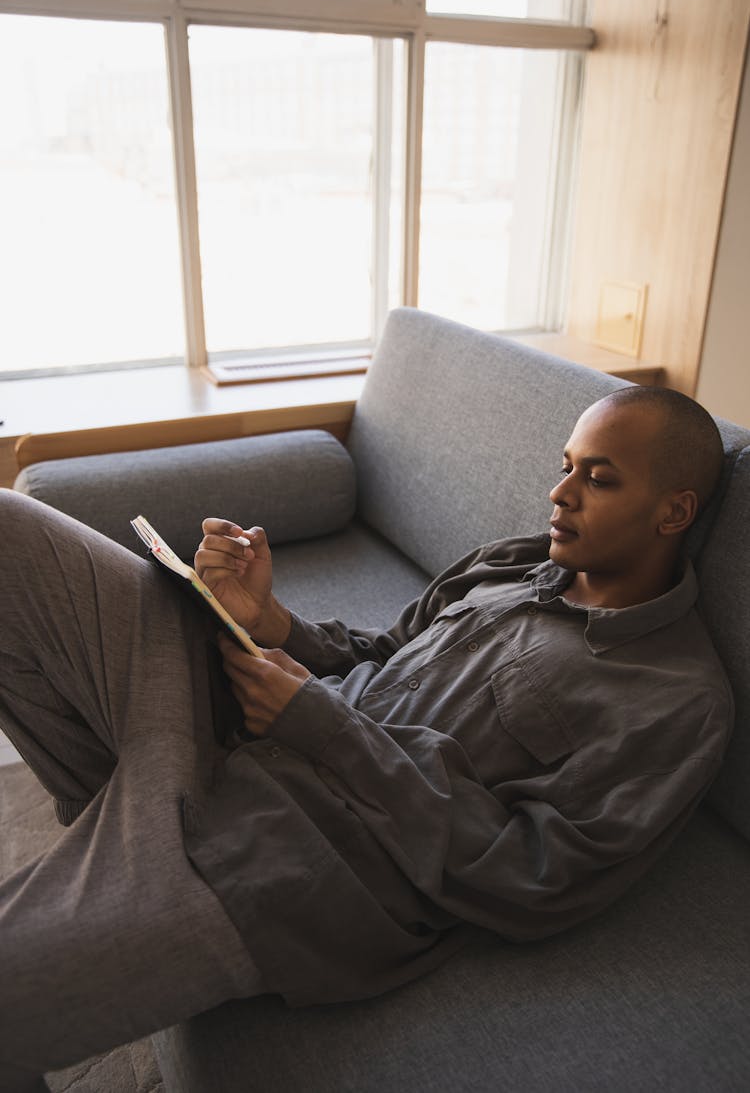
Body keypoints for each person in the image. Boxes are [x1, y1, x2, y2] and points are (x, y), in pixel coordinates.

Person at [0, 386, 733, 1092]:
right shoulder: (518, 562)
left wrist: (319, 724)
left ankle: (124, 856)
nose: (561, 493)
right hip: (236, 716)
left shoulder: (676, 698)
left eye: (598, 479)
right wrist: (272, 622)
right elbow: (382, 649)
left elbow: (533, 874)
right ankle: (119, 809)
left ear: (674, 511)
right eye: (565, 465)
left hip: (298, 852)